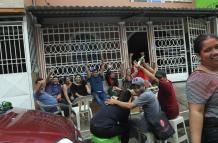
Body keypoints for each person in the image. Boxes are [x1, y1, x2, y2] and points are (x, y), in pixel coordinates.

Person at [106, 77, 161, 142]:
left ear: (144, 86)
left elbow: (130, 106)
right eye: (134, 87)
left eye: (138, 87)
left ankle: (144, 138)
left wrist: (115, 101)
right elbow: (131, 92)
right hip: (155, 117)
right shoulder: (147, 91)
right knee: (133, 119)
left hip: (151, 122)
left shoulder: (145, 95)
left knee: (127, 122)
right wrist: (120, 92)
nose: (136, 90)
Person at [186, 34, 218, 143]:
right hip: (214, 131)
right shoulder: (198, 78)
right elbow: (196, 112)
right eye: (208, 50)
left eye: (217, 47)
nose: (215, 52)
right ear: (199, 55)